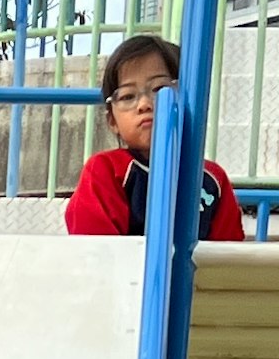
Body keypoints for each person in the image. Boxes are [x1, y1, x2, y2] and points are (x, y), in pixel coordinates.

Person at [63, 31, 243, 245]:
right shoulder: (107, 171)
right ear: (112, 120)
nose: (144, 104)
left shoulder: (212, 180)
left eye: (160, 89)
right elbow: (96, 251)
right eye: (128, 96)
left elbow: (225, 258)